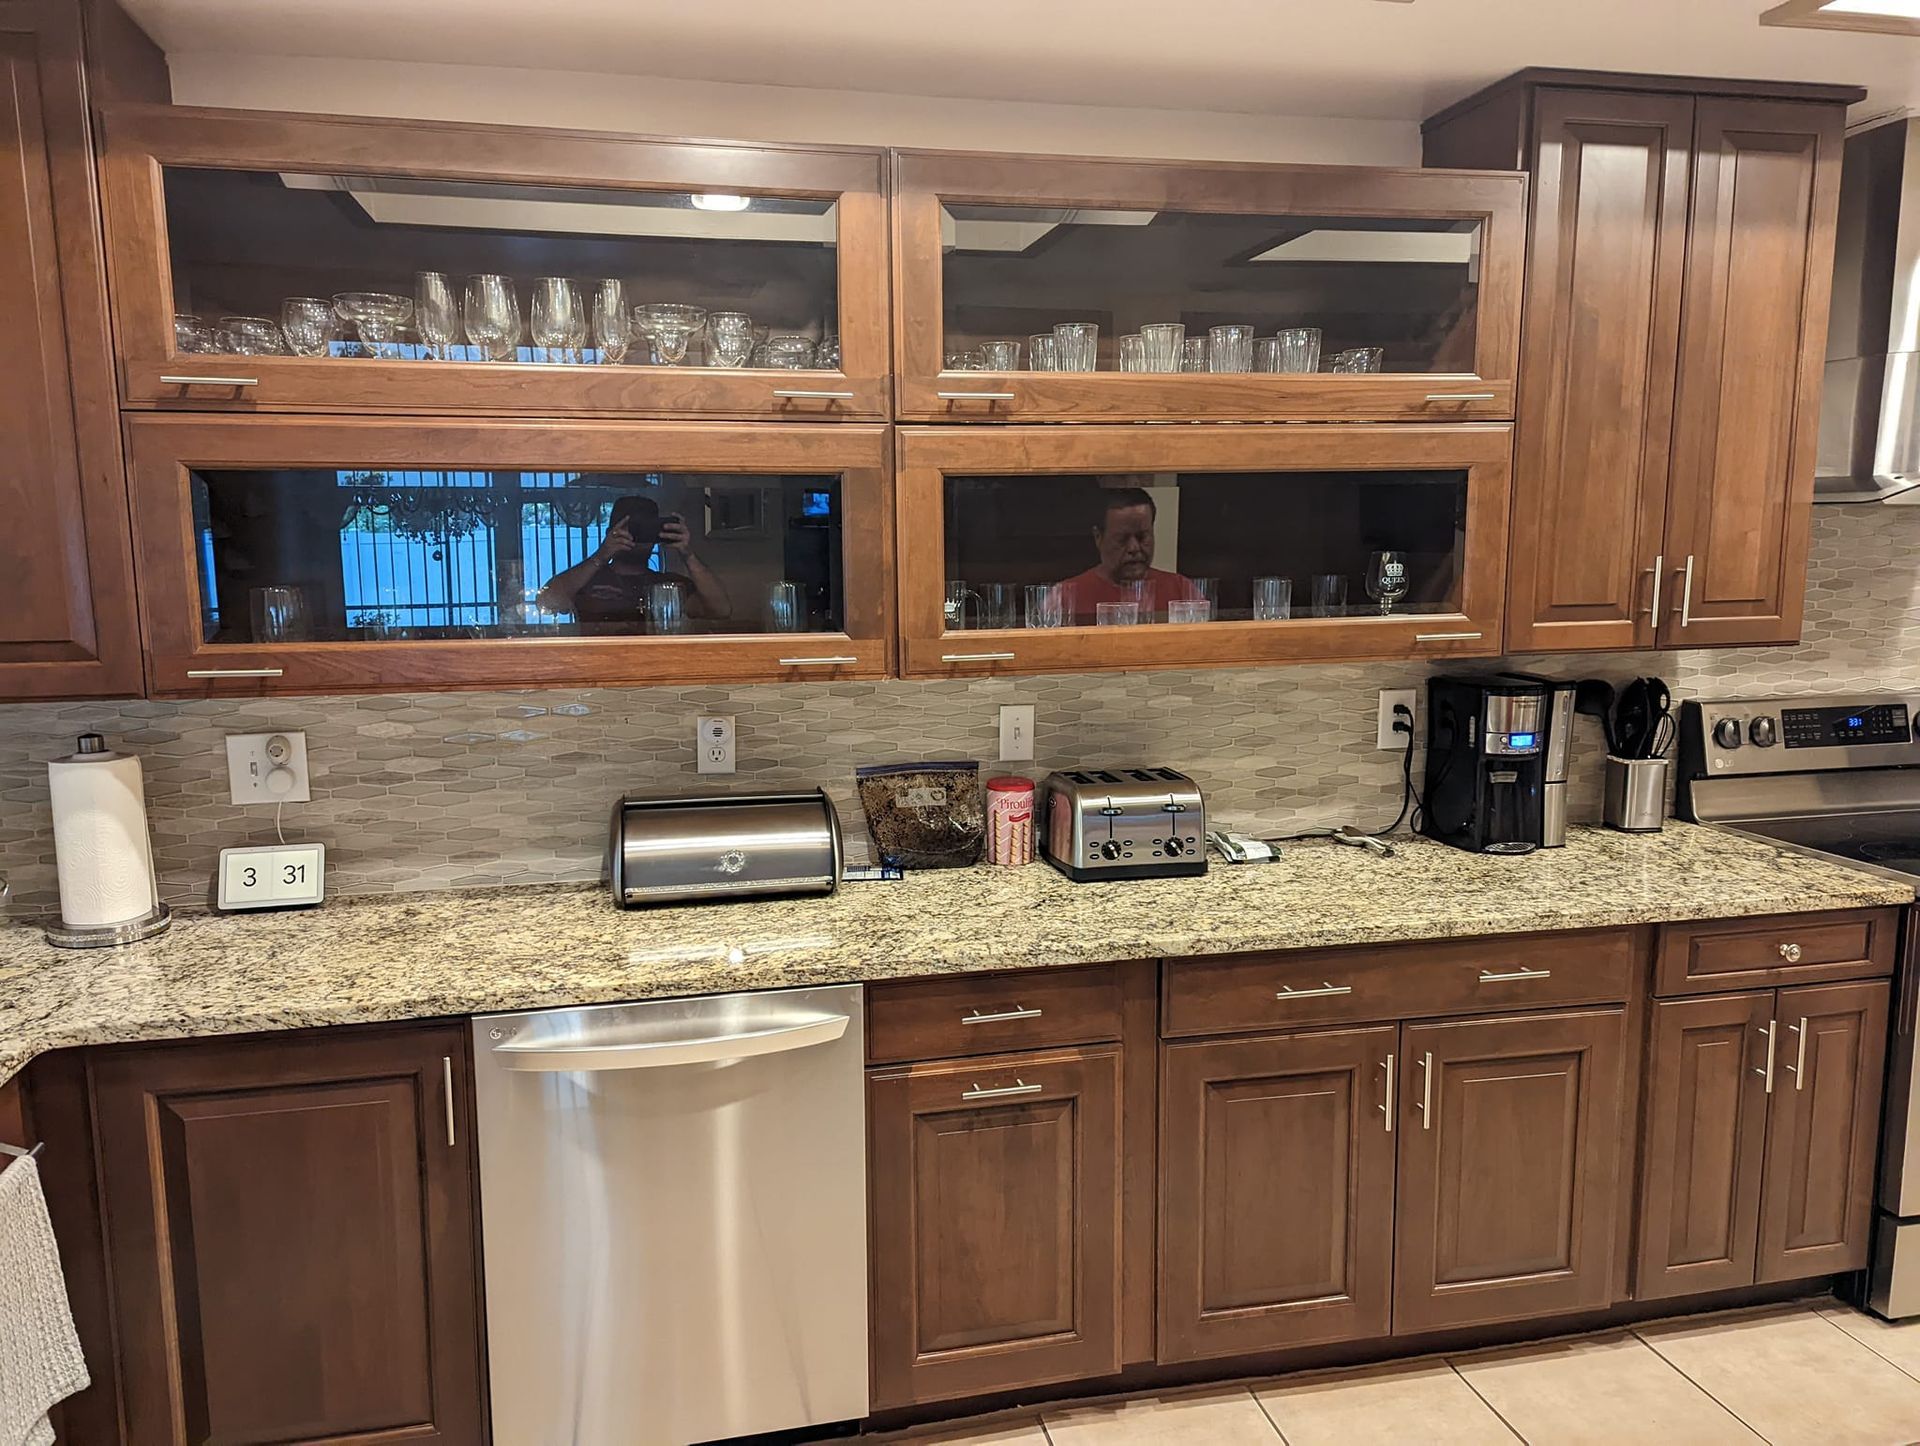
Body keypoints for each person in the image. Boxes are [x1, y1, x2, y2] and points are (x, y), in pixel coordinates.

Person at [535, 495, 731, 626]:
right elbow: (547, 602)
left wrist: (688, 555)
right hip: (597, 668)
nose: (637, 538)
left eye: (646, 529)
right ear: (610, 533)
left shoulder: (670, 587)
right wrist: (601, 555)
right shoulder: (586, 581)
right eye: (631, 529)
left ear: (658, 534)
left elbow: (721, 610)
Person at [1056, 486, 1201, 624]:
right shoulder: (1064, 597)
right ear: (1098, 537)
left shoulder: (1182, 591)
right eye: (1122, 539)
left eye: (1142, 537)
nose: (1134, 548)